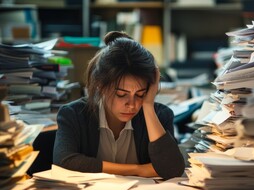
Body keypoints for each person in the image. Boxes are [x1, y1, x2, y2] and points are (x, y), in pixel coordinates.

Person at [53, 31, 185, 180]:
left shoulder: (160, 115)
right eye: (121, 94)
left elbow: (173, 170)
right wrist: (139, 170)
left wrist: (148, 106)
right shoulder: (73, 114)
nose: (132, 104)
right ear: (101, 85)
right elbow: (64, 162)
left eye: (140, 94)